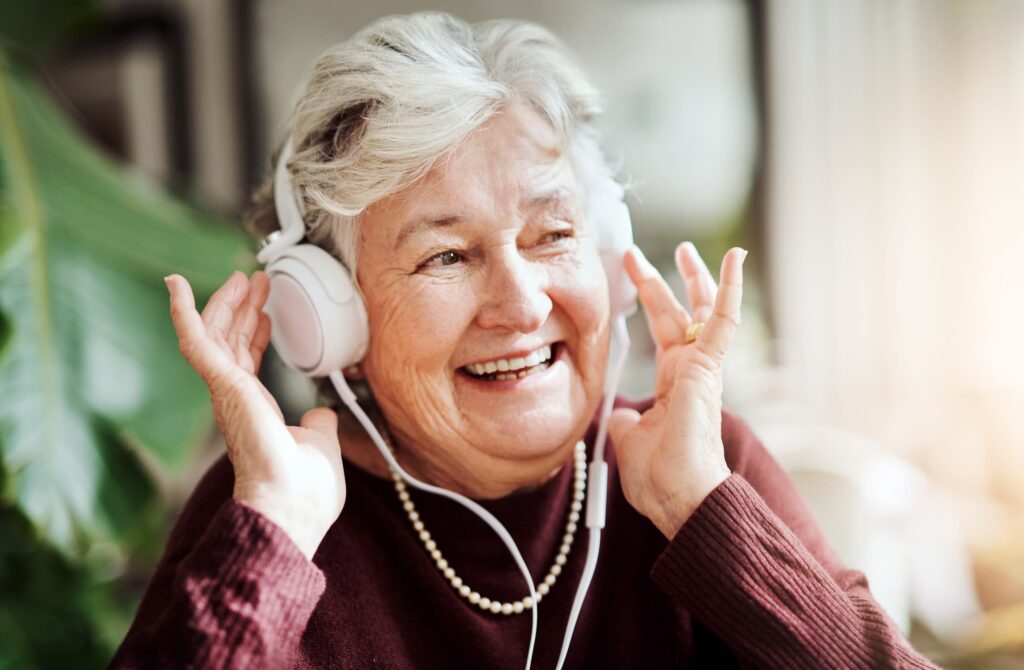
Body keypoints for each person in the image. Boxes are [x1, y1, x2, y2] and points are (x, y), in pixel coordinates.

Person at [109, 12, 938, 670]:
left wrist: (702, 513)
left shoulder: (706, 463)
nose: (520, 303)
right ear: (330, 318)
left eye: (553, 236)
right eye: (446, 256)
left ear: (609, 256)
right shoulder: (267, 510)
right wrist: (275, 535)